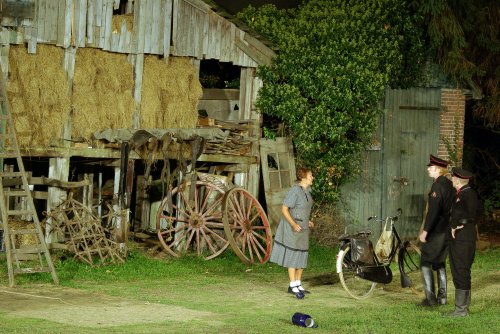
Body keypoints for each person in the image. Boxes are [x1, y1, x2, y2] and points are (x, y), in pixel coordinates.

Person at [269, 167, 315, 298]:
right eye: (311, 175)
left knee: (302, 255)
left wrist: (308, 221)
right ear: (304, 177)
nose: (312, 178)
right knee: (293, 255)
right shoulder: (295, 191)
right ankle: (292, 285)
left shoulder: (307, 191)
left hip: (303, 227)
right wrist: (294, 224)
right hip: (293, 228)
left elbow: (302, 209)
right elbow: (284, 209)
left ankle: (298, 283)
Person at [418, 154, 455, 306]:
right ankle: (443, 298)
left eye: (431, 168)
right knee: (439, 262)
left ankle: (430, 299)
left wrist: (425, 231)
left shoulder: (437, 186)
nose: (428, 170)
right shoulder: (449, 184)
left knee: (425, 261)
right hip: (446, 229)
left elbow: (433, 211)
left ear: (438, 170)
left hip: (436, 231)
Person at [446, 167, 480, 317]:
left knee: (461, 271)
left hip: (463, 238)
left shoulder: (468, 194)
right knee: (459, 270)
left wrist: (456, 225)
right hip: (461, 237)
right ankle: (462, 308)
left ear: (458, 180)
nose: (451, 179)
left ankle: (461, 310)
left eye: (453, 178)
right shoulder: (463, 193)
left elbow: (468, 214)